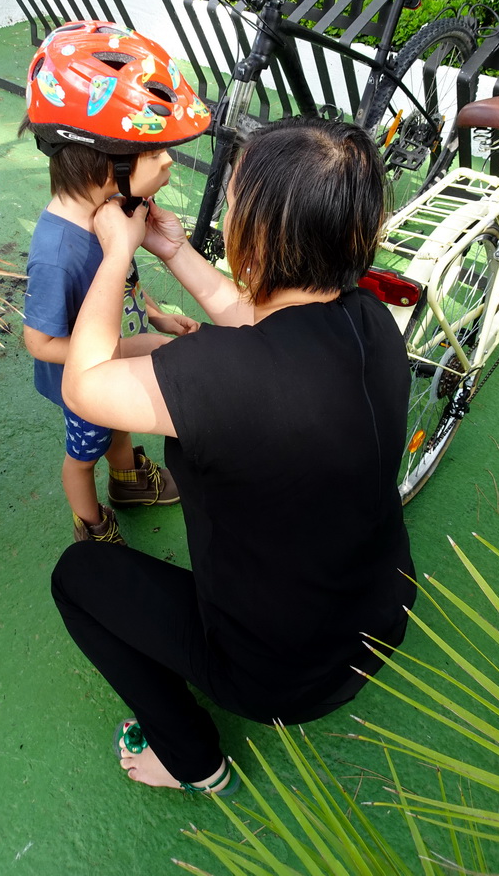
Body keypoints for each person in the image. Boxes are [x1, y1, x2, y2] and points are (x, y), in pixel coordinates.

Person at [51, 115, 416, 795]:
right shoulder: (368, 317)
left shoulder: (220, 375)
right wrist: (173, 249)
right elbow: (259, 322)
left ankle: (193, 760)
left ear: (264, 234)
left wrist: (116, 255)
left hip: (281, 676)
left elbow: (86, 383)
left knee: (78, 576)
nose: (227, 209)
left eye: (235, 200)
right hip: (380, 619)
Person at [21, 20, 211, 545]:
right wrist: (127, 348)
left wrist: (153, 312)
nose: (170, 161)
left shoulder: (115, 210)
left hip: (117, 356)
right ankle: (93, 524)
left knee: (119, 426)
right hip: (79, 382)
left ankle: (126, 482)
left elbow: (122, 281)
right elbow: (37, 341)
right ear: (110, 163)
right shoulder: (58, 251)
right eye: (157, 152)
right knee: (83, 454)